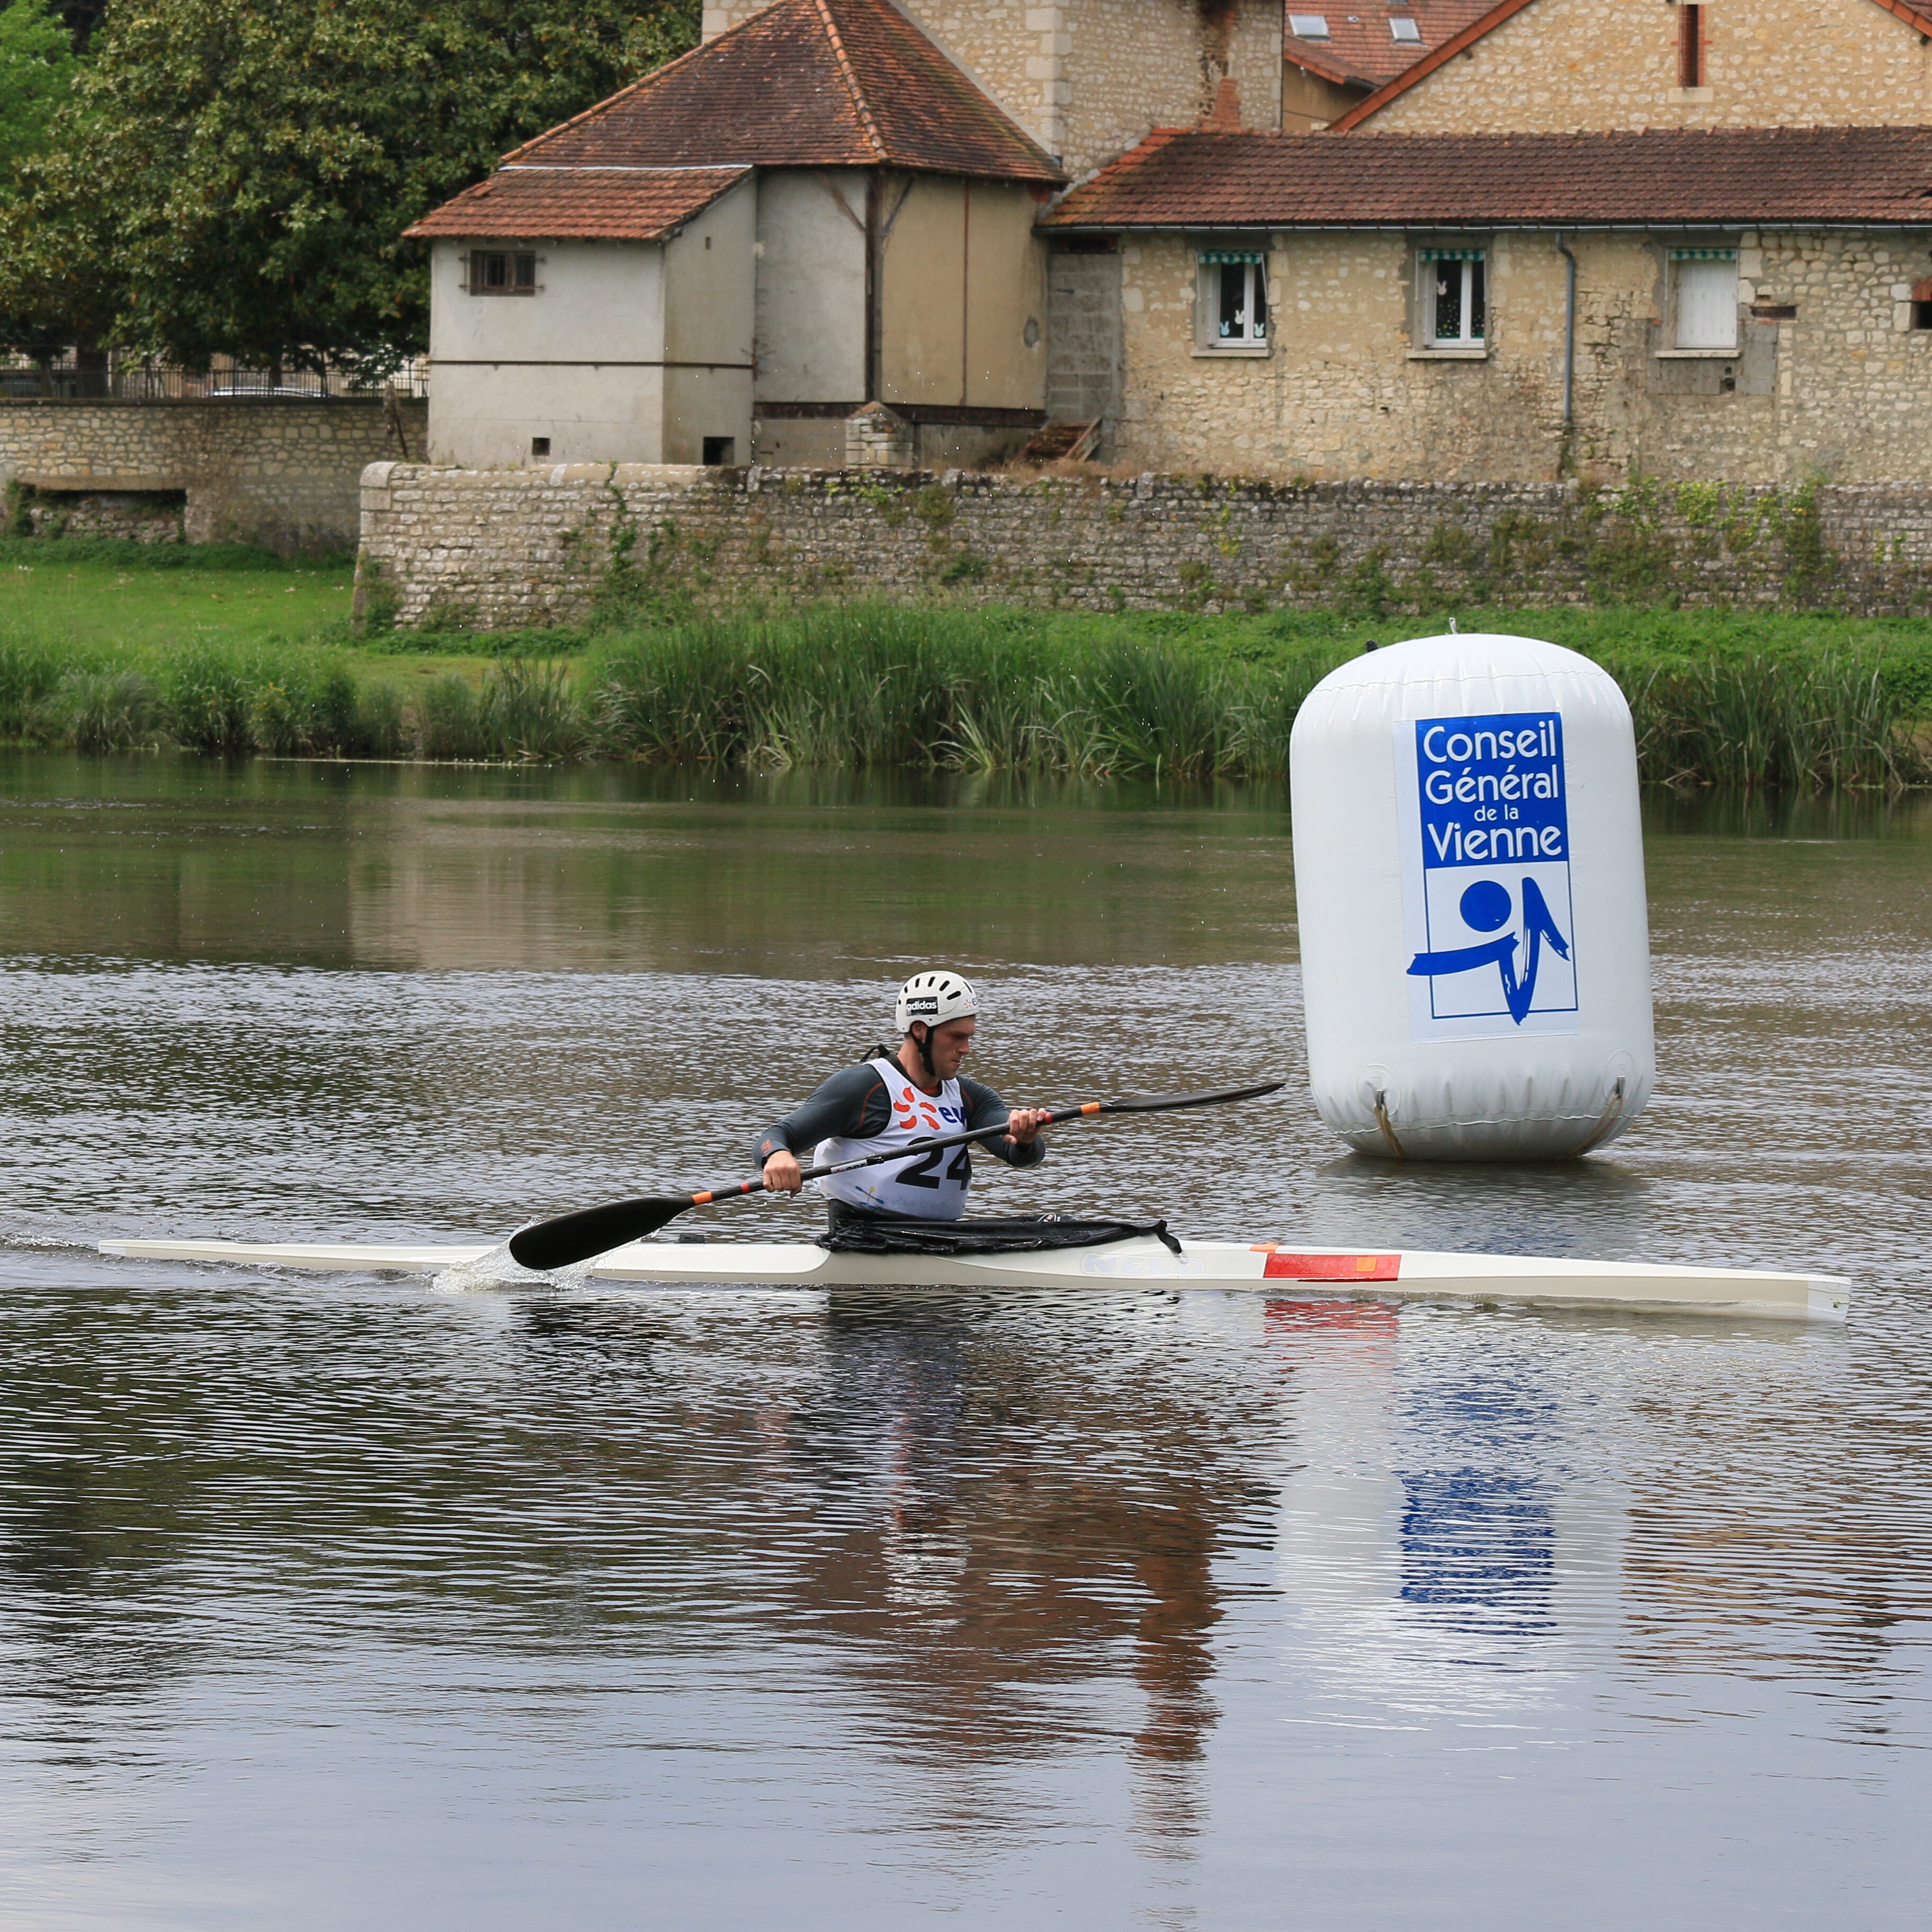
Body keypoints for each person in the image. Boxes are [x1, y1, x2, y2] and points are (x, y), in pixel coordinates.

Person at [756, 970, 1046, 1226]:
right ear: (920, 1031)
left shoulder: (972, 1097)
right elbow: (777, 1136)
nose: (967, 1049)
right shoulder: (863, 1088)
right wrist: (778, 1156)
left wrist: (1024, 1137)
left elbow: (1020, 1156)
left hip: (939, 1239)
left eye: (969, 1037)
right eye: (956, 1037)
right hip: (862, 1237)